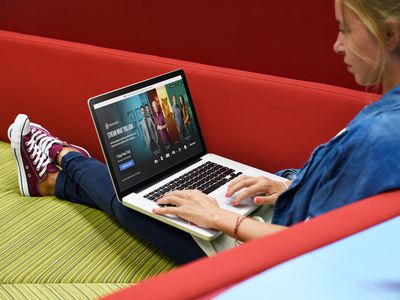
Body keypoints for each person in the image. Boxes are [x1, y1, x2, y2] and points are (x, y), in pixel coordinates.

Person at [7, 0, 400, 264]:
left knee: (135, 201)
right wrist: (292, 186)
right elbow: (345, 210)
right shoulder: (387, 117)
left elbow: (324, 253)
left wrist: (220, 219)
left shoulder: (382, 136)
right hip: (279, 209)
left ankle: (62, 158)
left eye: (345, 30)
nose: (336, 45)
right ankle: (54, 182)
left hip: (263, 251)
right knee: (154, 192)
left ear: (389, 33)